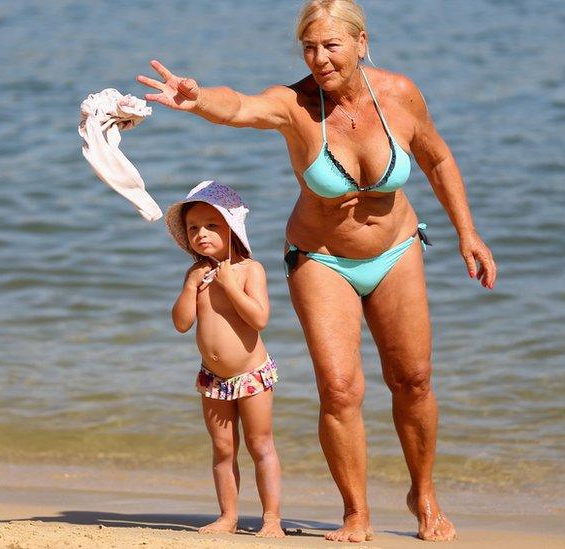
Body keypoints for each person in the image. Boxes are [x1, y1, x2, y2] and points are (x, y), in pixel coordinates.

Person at [139, 0, 497, 542]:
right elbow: (240, 107)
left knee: (414, 381)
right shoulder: (296, 105)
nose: (320, 58)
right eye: (310, 47)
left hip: (398, 248)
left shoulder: (400, 93)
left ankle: (423, 495)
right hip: (320, 257)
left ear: (361, 42)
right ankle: (356, 513)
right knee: (339, 389)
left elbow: (438, 159)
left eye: (331, 45)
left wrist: (468, 232)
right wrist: (198, 99)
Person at [167, 180, 284, 538]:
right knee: (222, 449)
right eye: (193, 228)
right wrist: (191, 287)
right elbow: (182, 324)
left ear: (232, 228)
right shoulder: (196, 275)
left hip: (251, 375)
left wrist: (230, 285)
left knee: (260, 444)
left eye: (211, 226)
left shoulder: (251, 271)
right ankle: (228, 516)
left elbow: (260, 318)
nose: (201, 234)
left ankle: (272, 520)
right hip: (213, 378)